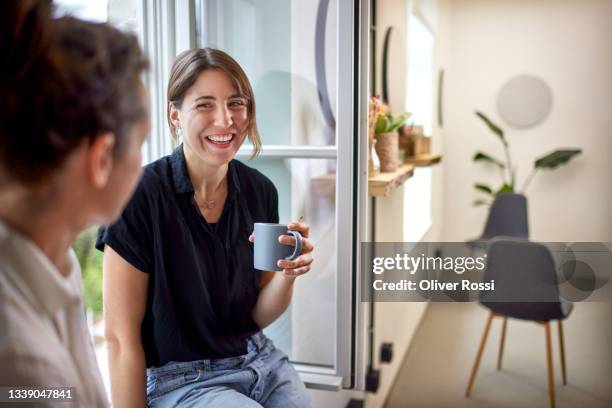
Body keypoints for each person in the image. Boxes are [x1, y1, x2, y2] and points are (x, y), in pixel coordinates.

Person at [96, 48, 315, 407]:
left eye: (236, 103)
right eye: (205, 105)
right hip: (179, 381)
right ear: (175, 115)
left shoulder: (261, 191)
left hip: (259, 362)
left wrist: (288, 273)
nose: (225, 120)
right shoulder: (137, 195)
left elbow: (258, 313)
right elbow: (120, 339)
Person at [0, 1, 150, 406]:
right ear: (102, 159)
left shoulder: (52, 263)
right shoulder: (22, 363)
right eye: (141, 143)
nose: (143, 163)